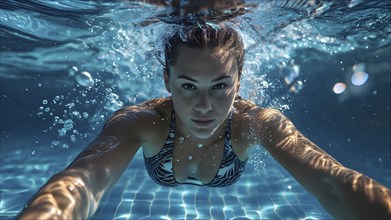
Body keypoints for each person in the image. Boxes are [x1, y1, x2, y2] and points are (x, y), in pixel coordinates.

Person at [18, 23, 390, 220]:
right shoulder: (142, 122)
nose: (203, 105)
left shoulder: (255, 123)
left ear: (239, 82)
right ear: (167, 81)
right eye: (188, 86)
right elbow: (82, 184)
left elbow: (335, 185)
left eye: (220, 86)